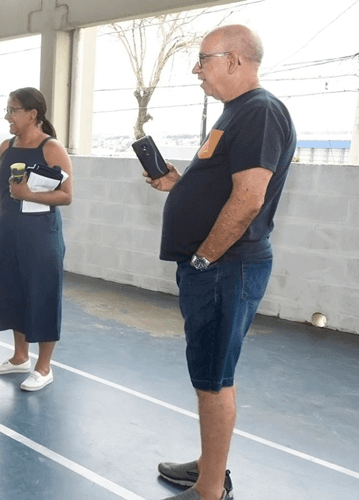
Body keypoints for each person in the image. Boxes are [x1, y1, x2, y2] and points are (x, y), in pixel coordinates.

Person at [144, 25, 296, 500]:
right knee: (210, 373)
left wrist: (205, 258)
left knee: (213, 380)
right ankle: (210, 466)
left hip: (225, 267)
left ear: (233, 61)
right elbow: (222, 186)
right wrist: (179, 185)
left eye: (203, 59)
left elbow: (249, 198)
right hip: (217, 267)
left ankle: (210, 490)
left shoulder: (259, 112)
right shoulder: (236, 113)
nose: (196, 69)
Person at [0, 87, 73, 392]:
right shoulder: (5, 147)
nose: (7, 116)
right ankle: (20, 357)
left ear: (32, 114)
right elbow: (2, 191)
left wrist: (28, 194)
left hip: (41, 236)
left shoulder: (52, 148)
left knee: (43, 296)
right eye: (7, 110)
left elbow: (66, 196)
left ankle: (44, 367)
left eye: (12, 110)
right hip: (8, 232)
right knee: (14, 294)